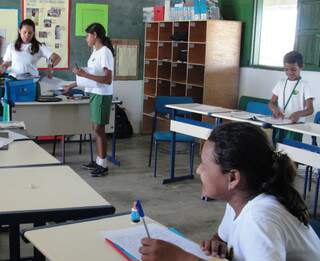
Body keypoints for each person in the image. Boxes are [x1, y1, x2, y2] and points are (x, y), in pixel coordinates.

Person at [139, 122, 320, 261]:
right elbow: (222, 237)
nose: (198, 170)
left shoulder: (259, 219)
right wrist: (218, 245)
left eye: (204, 164)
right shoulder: (239, 200)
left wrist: (181, 258)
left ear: (233, 178)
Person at [63, 23, 114, 177]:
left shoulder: (105, 52)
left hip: (102, 94)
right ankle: (98, 161)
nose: (86, 39)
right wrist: (73, 83)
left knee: (99, 129)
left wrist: (84, 75)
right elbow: (91, 75)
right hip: (94, 93)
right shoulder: (95, 51)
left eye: (87, 36)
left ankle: (103, 165)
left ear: (95, 35)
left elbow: (108, 79)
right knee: (95, 129)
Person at [268, 51, 314, 141]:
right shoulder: (280, 83)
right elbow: (271, 103)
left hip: (296, 125)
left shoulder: (304, 85)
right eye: (286, 69)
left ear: (301, 67)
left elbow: (310, 109)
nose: (290, 72)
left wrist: (298, 114)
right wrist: (275, 109)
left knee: (291, 148)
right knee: (276, 146)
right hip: (280, 122)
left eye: (293, 69)